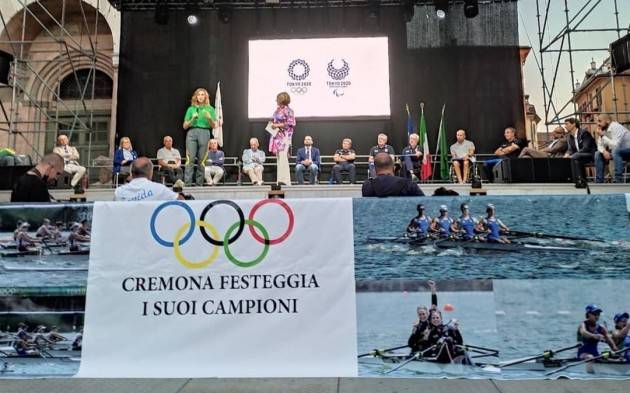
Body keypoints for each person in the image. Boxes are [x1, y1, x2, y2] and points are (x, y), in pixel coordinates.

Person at [183, 88, 217, 186]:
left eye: (203, 95)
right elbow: (184, 126)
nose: (201, 96)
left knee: (202, 160)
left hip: (205, 132)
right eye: (199, 95)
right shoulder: (191, 109)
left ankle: (199, 185)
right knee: (190, 159)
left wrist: (209, 118)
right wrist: (192, 119)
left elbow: (214, 126)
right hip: (192, 133)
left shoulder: (210, 109)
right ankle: (187, 185)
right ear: (196, 96)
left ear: (205, 97)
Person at [114, 157, 183, 201]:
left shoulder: (119, 192)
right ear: (150, 172)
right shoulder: (159, 189)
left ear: (131, 172)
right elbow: (181, 201)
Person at [593, 114, 630, 183]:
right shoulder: (603, 130)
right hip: (617, 152)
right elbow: (600, 146)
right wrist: (604, 151)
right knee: (598, 154)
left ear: (608, 121)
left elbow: (616, 145)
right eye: (597, 122)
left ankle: (617, 179)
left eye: (600, 121)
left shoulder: (616, 127)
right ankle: (599, 181)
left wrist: (602, 136)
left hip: (627, 150)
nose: (598, 124)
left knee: (616, 150)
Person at [269, 92, 296, 185]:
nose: (276, 100)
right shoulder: (277, 110)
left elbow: (291, 123)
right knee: (279, 158)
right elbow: (273, 120)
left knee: (284, 157)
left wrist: (277, 124)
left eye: (277, 98)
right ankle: (279, 180)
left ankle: (286, 181)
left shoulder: (289, 110)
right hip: (276, 136)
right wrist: (272, 124)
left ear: (282, 99)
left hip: (284, 136)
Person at [408, 280, 438, 353]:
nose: (422, 316)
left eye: (423, 314)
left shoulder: (431, 319)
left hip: (431, 348)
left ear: (427, 313)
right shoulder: (417, 326)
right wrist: (413, 333)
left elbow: (434, 303)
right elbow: (410, 344)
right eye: (420, 314)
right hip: (420, 350)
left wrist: (433, 289)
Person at [564, 118, 596, 185]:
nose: (565, 126)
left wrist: (573, 155)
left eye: (567, 124)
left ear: (574, 124)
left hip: (590, 155)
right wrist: (566, 154)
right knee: (572, 160)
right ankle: (579, 181)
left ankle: (580, 180)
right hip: (578, 157)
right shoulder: (569, 137)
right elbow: (570, 149)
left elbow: (586, 148)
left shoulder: (584, 133)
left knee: (575, 157)